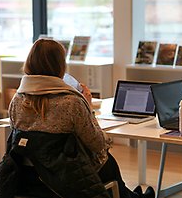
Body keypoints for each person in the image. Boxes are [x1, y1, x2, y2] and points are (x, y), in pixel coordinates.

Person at [8, 38, 155, 198]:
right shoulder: (72, 102)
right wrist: (88, 106)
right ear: (60, 65)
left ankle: (132, 195)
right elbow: (97, 143)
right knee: (109, 161)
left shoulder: (17, 100)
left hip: (29, 174)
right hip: (69, 176)